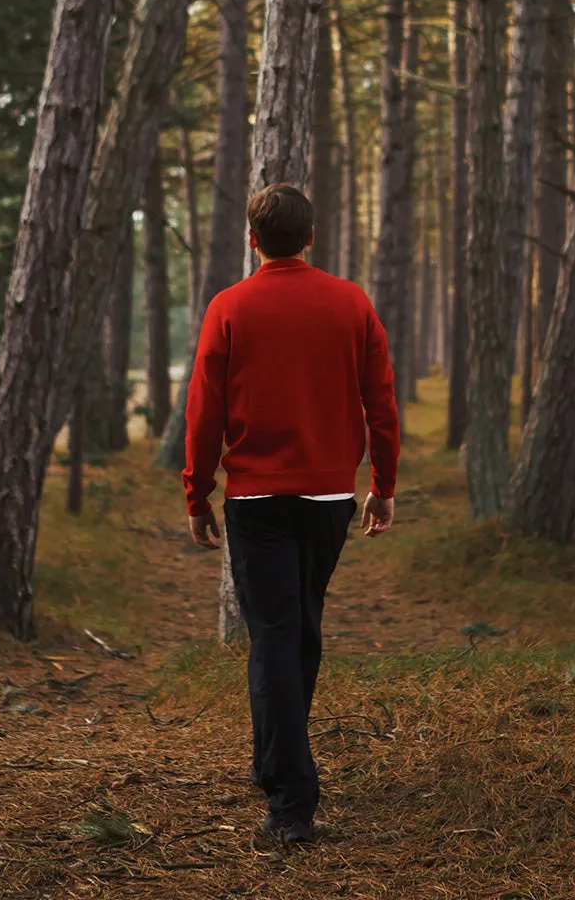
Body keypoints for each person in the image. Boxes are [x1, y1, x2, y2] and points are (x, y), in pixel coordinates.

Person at [183, 183, 400, 846]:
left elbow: (203, 412)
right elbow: (381, 405)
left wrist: (197, 492)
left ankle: (288, 802)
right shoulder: (350, 303)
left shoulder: (230, 307)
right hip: (329, 500)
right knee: (298, 632)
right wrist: (382, 485)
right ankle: (287, 772)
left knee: (281, 636)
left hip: (257, 501)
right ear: (310, 237)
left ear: (254, 240)